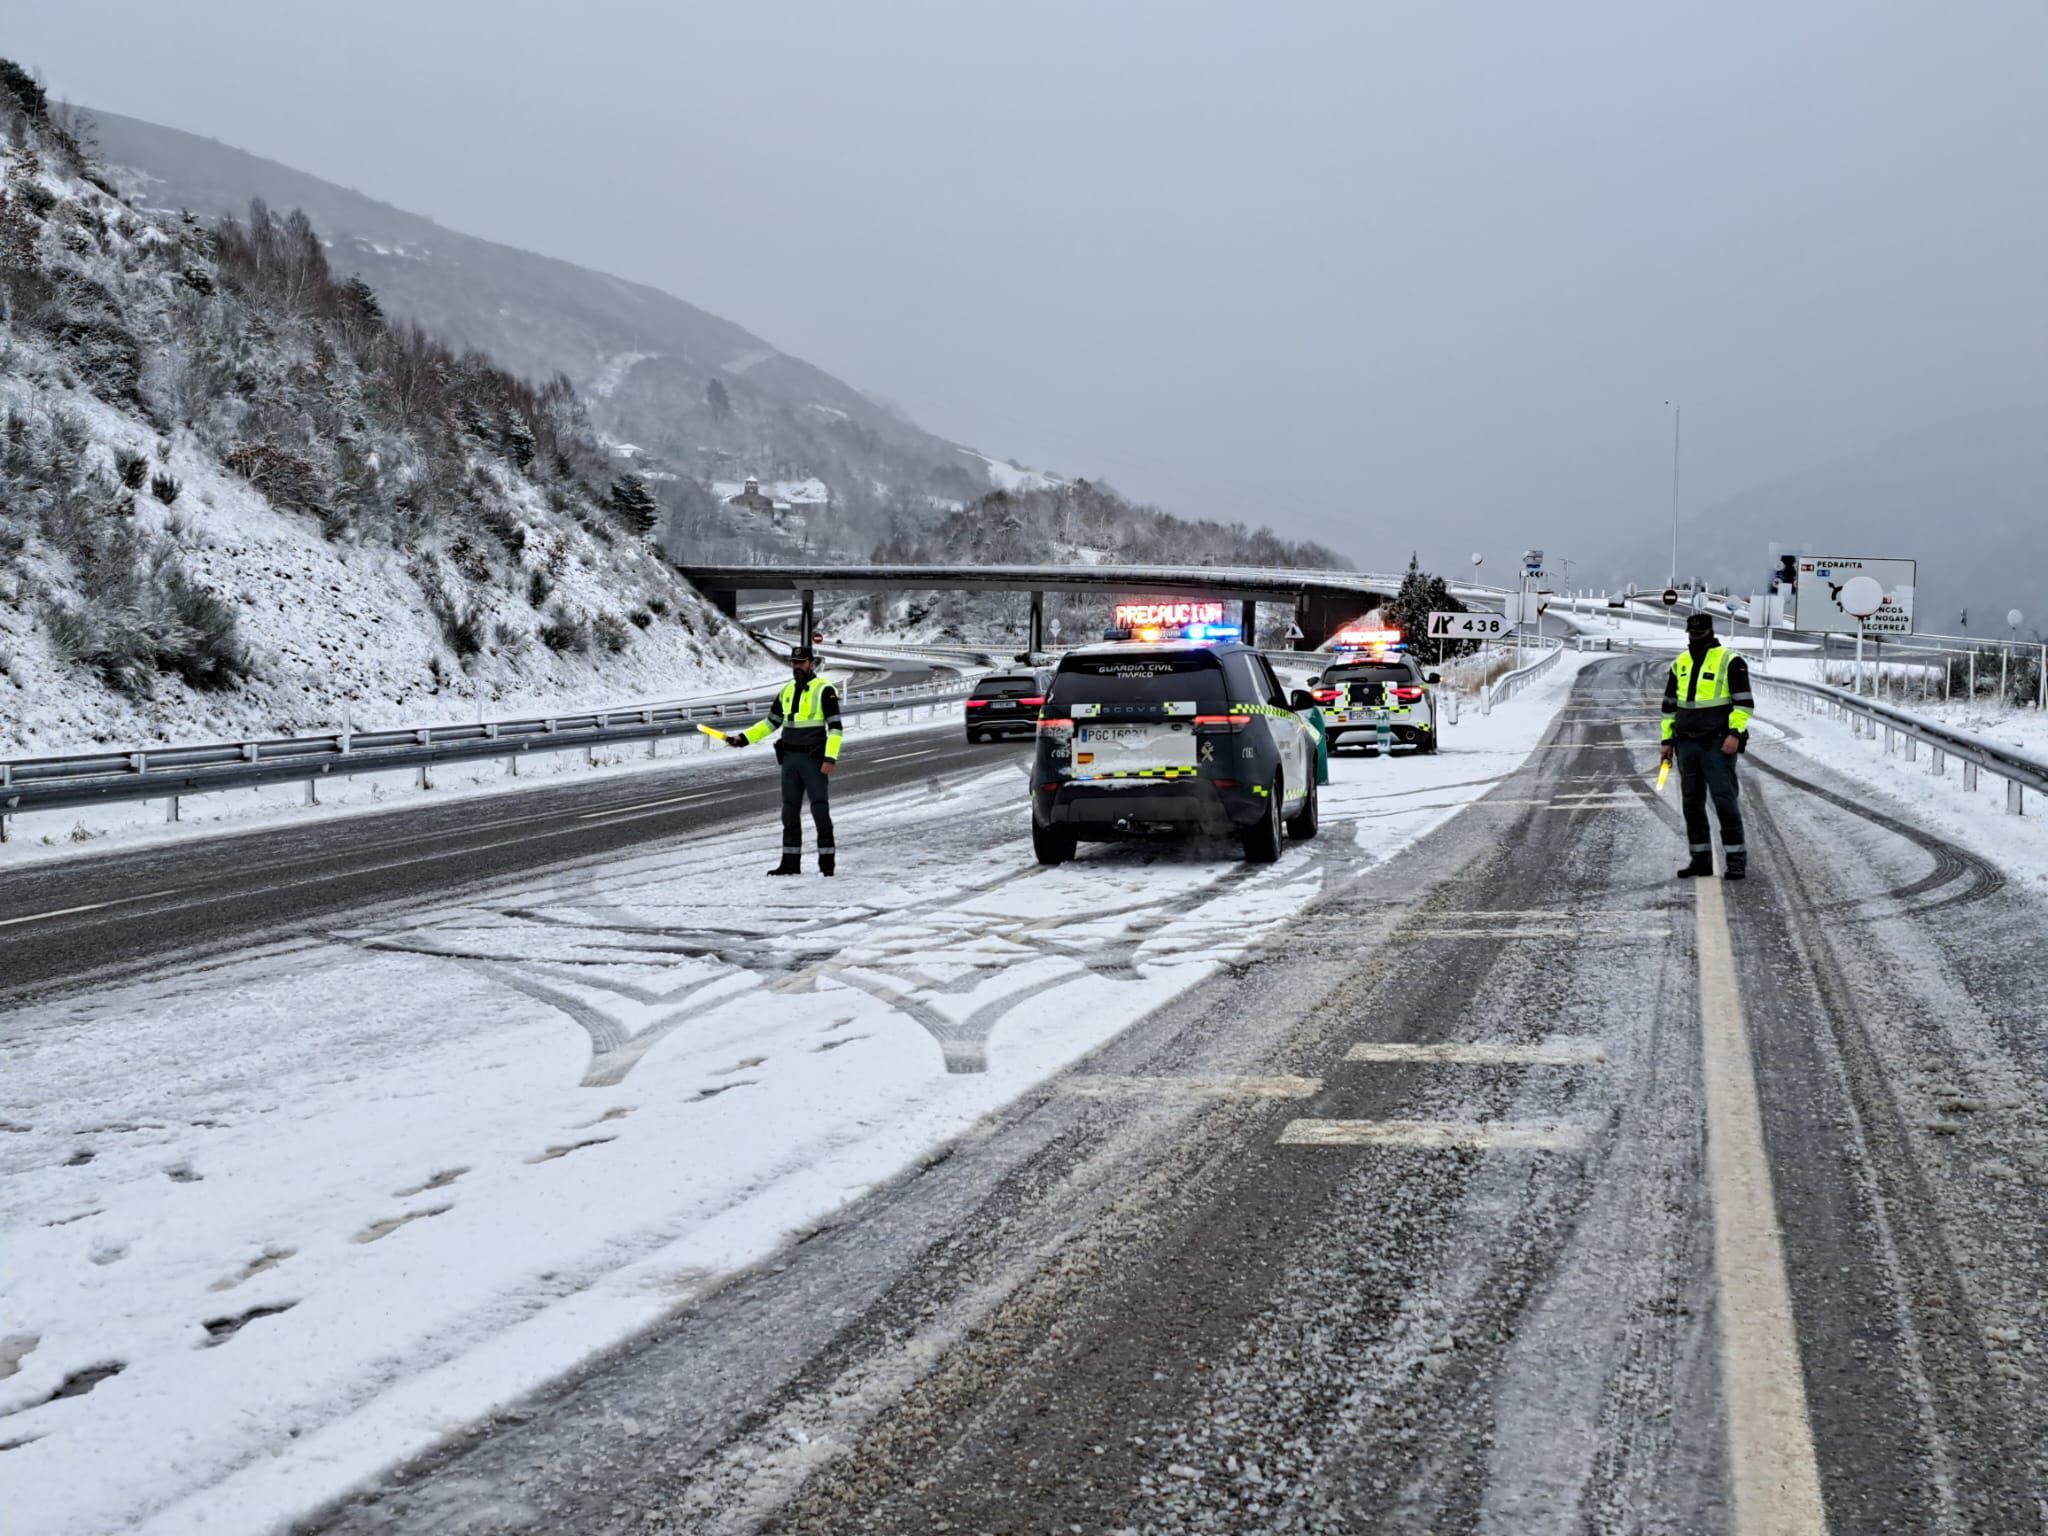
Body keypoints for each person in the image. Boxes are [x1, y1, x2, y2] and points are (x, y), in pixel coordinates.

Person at [727, 649, 843, 876]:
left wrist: (831, 757)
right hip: (790, 760)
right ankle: (790, 863)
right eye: (794, 663)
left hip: (814, 759)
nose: (797, 666)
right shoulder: (787, 690)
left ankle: (827, 864)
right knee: (789, 813)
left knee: (820, 810)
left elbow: (836, 728)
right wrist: (743, 739)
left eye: (801, 662)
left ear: (811, 664)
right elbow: (770, 723)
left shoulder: (824, 690)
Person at [1659, 611, 1755, 880]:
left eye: (1699, 633)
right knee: (1691, 805)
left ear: (1710, 632)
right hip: (1686, 744)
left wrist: (1735, 733)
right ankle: (1700, 860)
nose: (1695, 637)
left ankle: (1736, 861)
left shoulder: (1730, 660)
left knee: (1725, 803)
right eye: (1691, 633)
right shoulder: (1681, 663)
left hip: (1717, 744)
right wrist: (1667, 740)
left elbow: (1744, 704)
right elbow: (1669, 708)